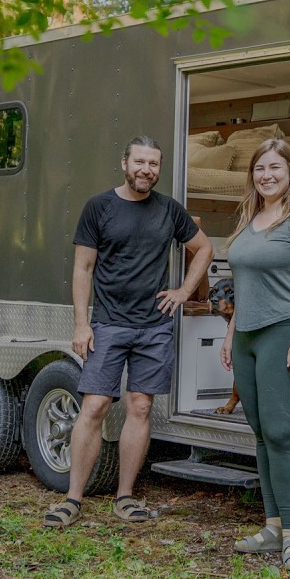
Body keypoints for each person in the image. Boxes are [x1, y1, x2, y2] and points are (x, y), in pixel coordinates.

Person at [44, 136, 213, 527]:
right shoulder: (99, 207)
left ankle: (125, 497)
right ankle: (72, 499)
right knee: (95, 406)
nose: (146, 170)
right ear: (124, 163)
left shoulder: (169, 210)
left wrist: (183, 291)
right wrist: (82, 324)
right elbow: (83, 268)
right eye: (140, 162)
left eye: (153, 164)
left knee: (141, 407)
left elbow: (204, 249)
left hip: (154, 327)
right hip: (108, 324)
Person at [220, 138, 290, 568]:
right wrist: (230, 334)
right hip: (246, 336)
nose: (267, 175)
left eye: (275, 168)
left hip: (284, 332)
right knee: (262, 434)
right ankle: (272, 528)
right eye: (260, 168)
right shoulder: (251, 218)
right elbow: (244, 286)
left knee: (281, 433)